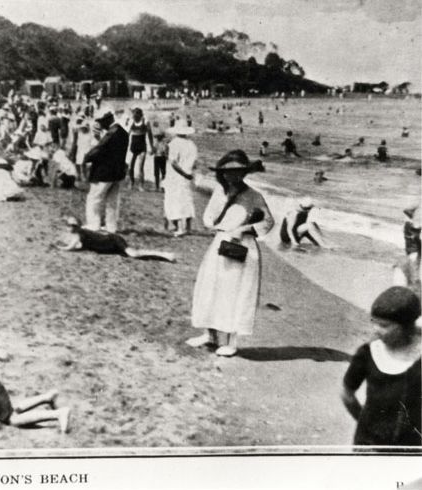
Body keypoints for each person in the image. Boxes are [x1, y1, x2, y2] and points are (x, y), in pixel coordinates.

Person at [186, 150, 274, 357]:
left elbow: (268, 222)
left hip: (244, 247)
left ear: (244, 173)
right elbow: (209, 219)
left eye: (237, 172)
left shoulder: (254, 196)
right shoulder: (219, 192)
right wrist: (218, 224)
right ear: (221, 174)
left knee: (236, 293)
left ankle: (232, 342)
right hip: (221, 243)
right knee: (211, 287)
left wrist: (244, 229)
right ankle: (210, 334)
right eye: (227, 172)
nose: (232, 176)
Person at [341, 287, 421, 448]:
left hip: (413, 446)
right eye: (374, 323)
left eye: (384, 325)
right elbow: (347, 394)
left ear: (406, 326)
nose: (376, 331)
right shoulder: (367, 353)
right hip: (370, 445)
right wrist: (365, 423)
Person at [82, 107, 129, 232]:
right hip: (117, 172)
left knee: (94, 198)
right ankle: (111, 227)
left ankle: (93, 225)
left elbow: (100, 149)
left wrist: (86, 157)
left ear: (108, 119)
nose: (99, 124)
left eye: (101, 121)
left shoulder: (111, 133)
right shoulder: (123, 132)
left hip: (104, 172)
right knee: (112, 201)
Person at [55, 217, 175, 261]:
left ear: (77, 227)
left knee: (134, 254)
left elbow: (70, 248)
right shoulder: (80, 233)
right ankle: (164, 255)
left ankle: (164, 255)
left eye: (73, 226)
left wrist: (59, 247)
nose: (71, 228)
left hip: (113, 241)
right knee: (134, 255)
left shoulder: (79, 234)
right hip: (109, 246)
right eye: (70, 226)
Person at [163, 125, 197, 237]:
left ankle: (179, 227)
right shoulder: (192, 144)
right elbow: (195, 163)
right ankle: (188, 227)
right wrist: (189, 174)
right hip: (188, 175)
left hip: (176, 176)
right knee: (187, 199)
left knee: (174, 200)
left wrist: (183, 173)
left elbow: (173, 162)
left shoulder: (174, 143)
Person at [393, 205, 421, 296]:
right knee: (413, 262)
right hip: (414, 250)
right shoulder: (409, 225)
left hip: (412, 249)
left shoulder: (408, 224)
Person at [125, 107, 154, 191]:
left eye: (136, 116)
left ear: (140, 115)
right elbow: (127, 134)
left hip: (142, 147)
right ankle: (131, 182)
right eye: (133, 116)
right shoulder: (131, 121)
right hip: (133, 147)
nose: (134, 118)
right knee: (130, 166)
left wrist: (151, 147)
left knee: (140, 167)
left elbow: (150, 135)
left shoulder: (145, 121)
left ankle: (141, 185)